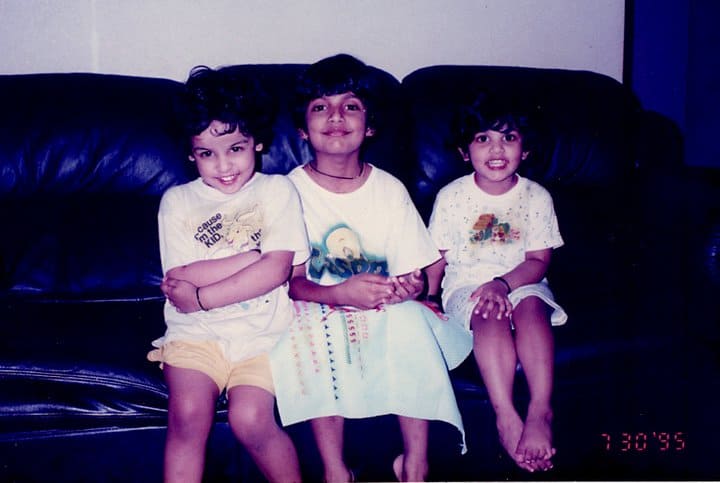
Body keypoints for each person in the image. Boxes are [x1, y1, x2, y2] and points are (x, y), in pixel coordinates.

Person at [269, 54, 472, 482]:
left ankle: (415, 462)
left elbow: (414, 273)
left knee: (410, 320)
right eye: (321, 107)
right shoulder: (286, 192)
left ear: (371, 125)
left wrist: (411, 289)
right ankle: (334, 469)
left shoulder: (389, 189)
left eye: (351, 106)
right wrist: (339, 294)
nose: (337, 116)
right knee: (302, 326)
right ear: (303, 129)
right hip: (318, 308)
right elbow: (288, 282)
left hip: (382, 313)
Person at [147, 66, 308, 483]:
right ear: (189, 153)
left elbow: (276, 271)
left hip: (263, 335)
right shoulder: (178, 201)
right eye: (206, 153)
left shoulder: (276, 191)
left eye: (235, 148)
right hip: (195, 335)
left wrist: (202, 295)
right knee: (188, 414)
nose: (223, 166)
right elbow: (181, 274)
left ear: (257, 142)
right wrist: (247, 258)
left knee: (251, 418)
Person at [425, 92, 568, 473]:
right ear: (463, 150)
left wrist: (505, 284)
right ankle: (505, 414)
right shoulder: (452, 197)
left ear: (526, 148)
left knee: (532, 307)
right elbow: (437, 256)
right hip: (468, 286)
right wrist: (428, 297)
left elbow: (539, 260)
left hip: (522, 280)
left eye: (509, 137)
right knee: (488, 313)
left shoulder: (536, 197)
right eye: (482, 138)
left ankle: (540, 409)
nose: (496, 148)